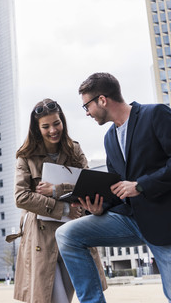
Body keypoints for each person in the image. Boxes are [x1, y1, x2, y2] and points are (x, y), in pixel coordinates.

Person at [55, 72, 171, 303]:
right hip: (129, 218)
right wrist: (99, 207)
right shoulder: (109, 137)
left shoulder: (155, 114)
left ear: (102, 100)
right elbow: (117, 185)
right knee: (67, 234)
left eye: (86, 105)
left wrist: (141, 185)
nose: (86, 112)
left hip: (164, 221)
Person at [6, 98, 107, 303]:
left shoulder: (74, 150)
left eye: (56, 123)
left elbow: (90, 186)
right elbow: (21, 197)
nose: (53, 130)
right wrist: (63, 208)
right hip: (42, 238)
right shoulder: (25, 156)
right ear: (36, 128)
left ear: (63, 121)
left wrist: (56, 190)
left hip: (76, 231)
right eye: (46, 126)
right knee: (54, 299)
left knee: (86, 293)